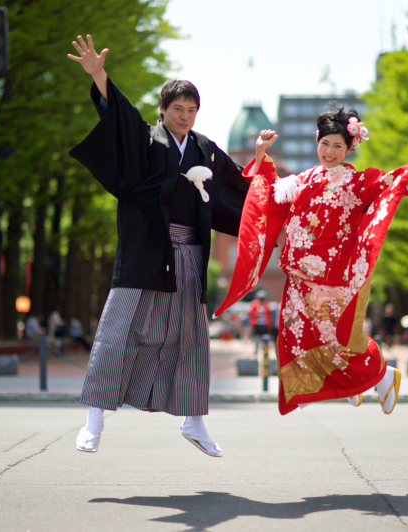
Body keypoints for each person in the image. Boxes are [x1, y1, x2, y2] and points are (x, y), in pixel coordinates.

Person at [67, 35, 249, 456]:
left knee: (191, 339)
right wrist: (99, 75)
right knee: (119, 332)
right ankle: (94, 418)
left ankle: (195, 421)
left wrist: (258, 162)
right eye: (177, 109)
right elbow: (122, 117)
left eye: (191, 110)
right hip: (145, 252)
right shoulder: (147, 140)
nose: (185, 116)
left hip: (188, 255)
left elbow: (238, 187)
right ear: (163, 111)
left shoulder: (205, 147)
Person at [215, 108, 408, 416]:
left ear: (350, 148)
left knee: (338, 341)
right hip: (299, 279)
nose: (329, 151)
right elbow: (266, 195)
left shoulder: (357, 182)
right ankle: (352, 385)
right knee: (295, 338)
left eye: (338, 145)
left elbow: (392, 183)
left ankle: (381, 375)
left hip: (332, 279)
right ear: (316, 141)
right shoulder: (301, 180)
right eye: (325, 143)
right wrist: (260, 154)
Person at [248, 290, 273, 355]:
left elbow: (269, 314)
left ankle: (266, 352)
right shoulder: (254, 304)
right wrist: (257, 314)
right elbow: (250, 313)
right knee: (256, 339)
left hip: (265, 324)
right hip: (257, 324)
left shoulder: (267, 304)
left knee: (266, 339)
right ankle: (255, 351)